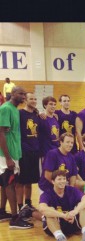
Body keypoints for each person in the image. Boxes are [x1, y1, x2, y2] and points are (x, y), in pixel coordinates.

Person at [38, 170, 85, 241]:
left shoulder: (72, 190)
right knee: (49, 211)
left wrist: (75, 211)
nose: (62, 181)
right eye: (59, 179)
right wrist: (63, 215)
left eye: (64, 178)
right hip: (56, 223)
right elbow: (42, 209)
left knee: (83, 206)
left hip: (72, 220)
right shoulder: (47, 194)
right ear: (53, 181)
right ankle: (61, 239)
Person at [0, 86, 33, 229]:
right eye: (21, 94)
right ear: (12, 94)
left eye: (24, 94)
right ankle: (14, 218)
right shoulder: (6, 108)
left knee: (5, 184)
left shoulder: (14, 109)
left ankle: (2, 211)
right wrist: (8, 158)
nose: (23, 96)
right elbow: (1, 133)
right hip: (7, 155)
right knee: (10, 184)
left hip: (14, 153)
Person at [16, 92, 41, 211]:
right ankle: (20, 206)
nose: (34, 101)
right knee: (21, 180)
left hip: (35, 151)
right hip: (23, 151)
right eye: (31, 99)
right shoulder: (20, 113)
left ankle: (28, 203)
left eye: (35, 99)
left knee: (30, 180)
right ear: (25, 100)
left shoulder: (36, 114)